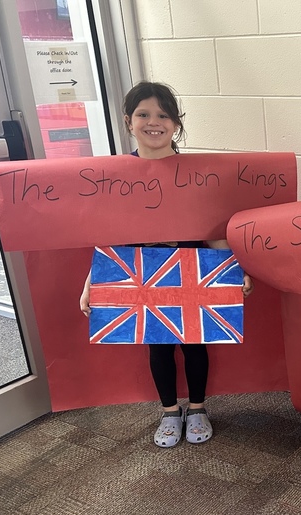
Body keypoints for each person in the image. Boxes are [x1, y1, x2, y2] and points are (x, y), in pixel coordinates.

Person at [79, 81, 253, 448]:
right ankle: (170, 411)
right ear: (128, 121)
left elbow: (213, 229)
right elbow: (106, 234)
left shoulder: (196, 173)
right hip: (143, 273)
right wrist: (91, 281)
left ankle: (198, 408)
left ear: (176, 124)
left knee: (194, 342)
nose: (153, 122)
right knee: (157, 345)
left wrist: (233, 269)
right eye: (143, 114)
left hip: (192, 268)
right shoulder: (117, 175)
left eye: (163, 115)